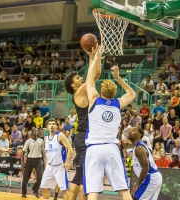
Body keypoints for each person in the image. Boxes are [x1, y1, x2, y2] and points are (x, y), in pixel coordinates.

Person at [84, 46, 135, 200]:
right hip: (112, 148)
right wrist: (118, 77)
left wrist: (96, 59)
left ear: (102, 90)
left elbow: (89, 79)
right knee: (124, 190)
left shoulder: (94, 99)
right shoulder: (118, 103)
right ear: (114, 92)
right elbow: (132, 93)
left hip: (94, 148)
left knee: (93, 190)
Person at [63, 45, 102, 200]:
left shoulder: (83, 91)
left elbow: (96, 73)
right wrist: (94, 58)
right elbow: (92, 75)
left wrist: (94, 58)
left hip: (82, 136)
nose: (81, 78)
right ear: (74, 85)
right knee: (86, 175)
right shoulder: (78, 92)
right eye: (78, 78)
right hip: (83, 136)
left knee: (79, 173)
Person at [40, 118, 73, 200]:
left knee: (64, 190)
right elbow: (47, 152)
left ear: (56, 126)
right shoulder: (46, 138)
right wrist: (46, 162)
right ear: (47, 127)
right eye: (50, 124)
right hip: (50, 167)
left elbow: (70, 149)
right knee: (44, 187)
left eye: (53, 124)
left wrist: (67, 162)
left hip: (60, 167)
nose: (51, 125)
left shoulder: (60, 135)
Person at [127, 127, 162, 200]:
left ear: (139, 135)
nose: (130, 131)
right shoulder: (138, 147)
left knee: (136, 198)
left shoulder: (139, 148)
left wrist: (137, 185)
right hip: (153, 177)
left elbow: (145, 168)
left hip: (151, 178)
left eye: (134, 130)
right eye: (130, 130)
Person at [21, 128, 45, 198]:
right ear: (31, 132)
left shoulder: (41, 141)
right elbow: (22, 152)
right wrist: (22, 164)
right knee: (26, 177)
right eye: (34, 131)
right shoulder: (28, 141)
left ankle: (35, 190)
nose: (35, 132)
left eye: (36, 131)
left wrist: (43, 162)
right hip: (30, 159)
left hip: (38, 160)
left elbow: (42, 152)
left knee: (40, 177)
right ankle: (23, 193)